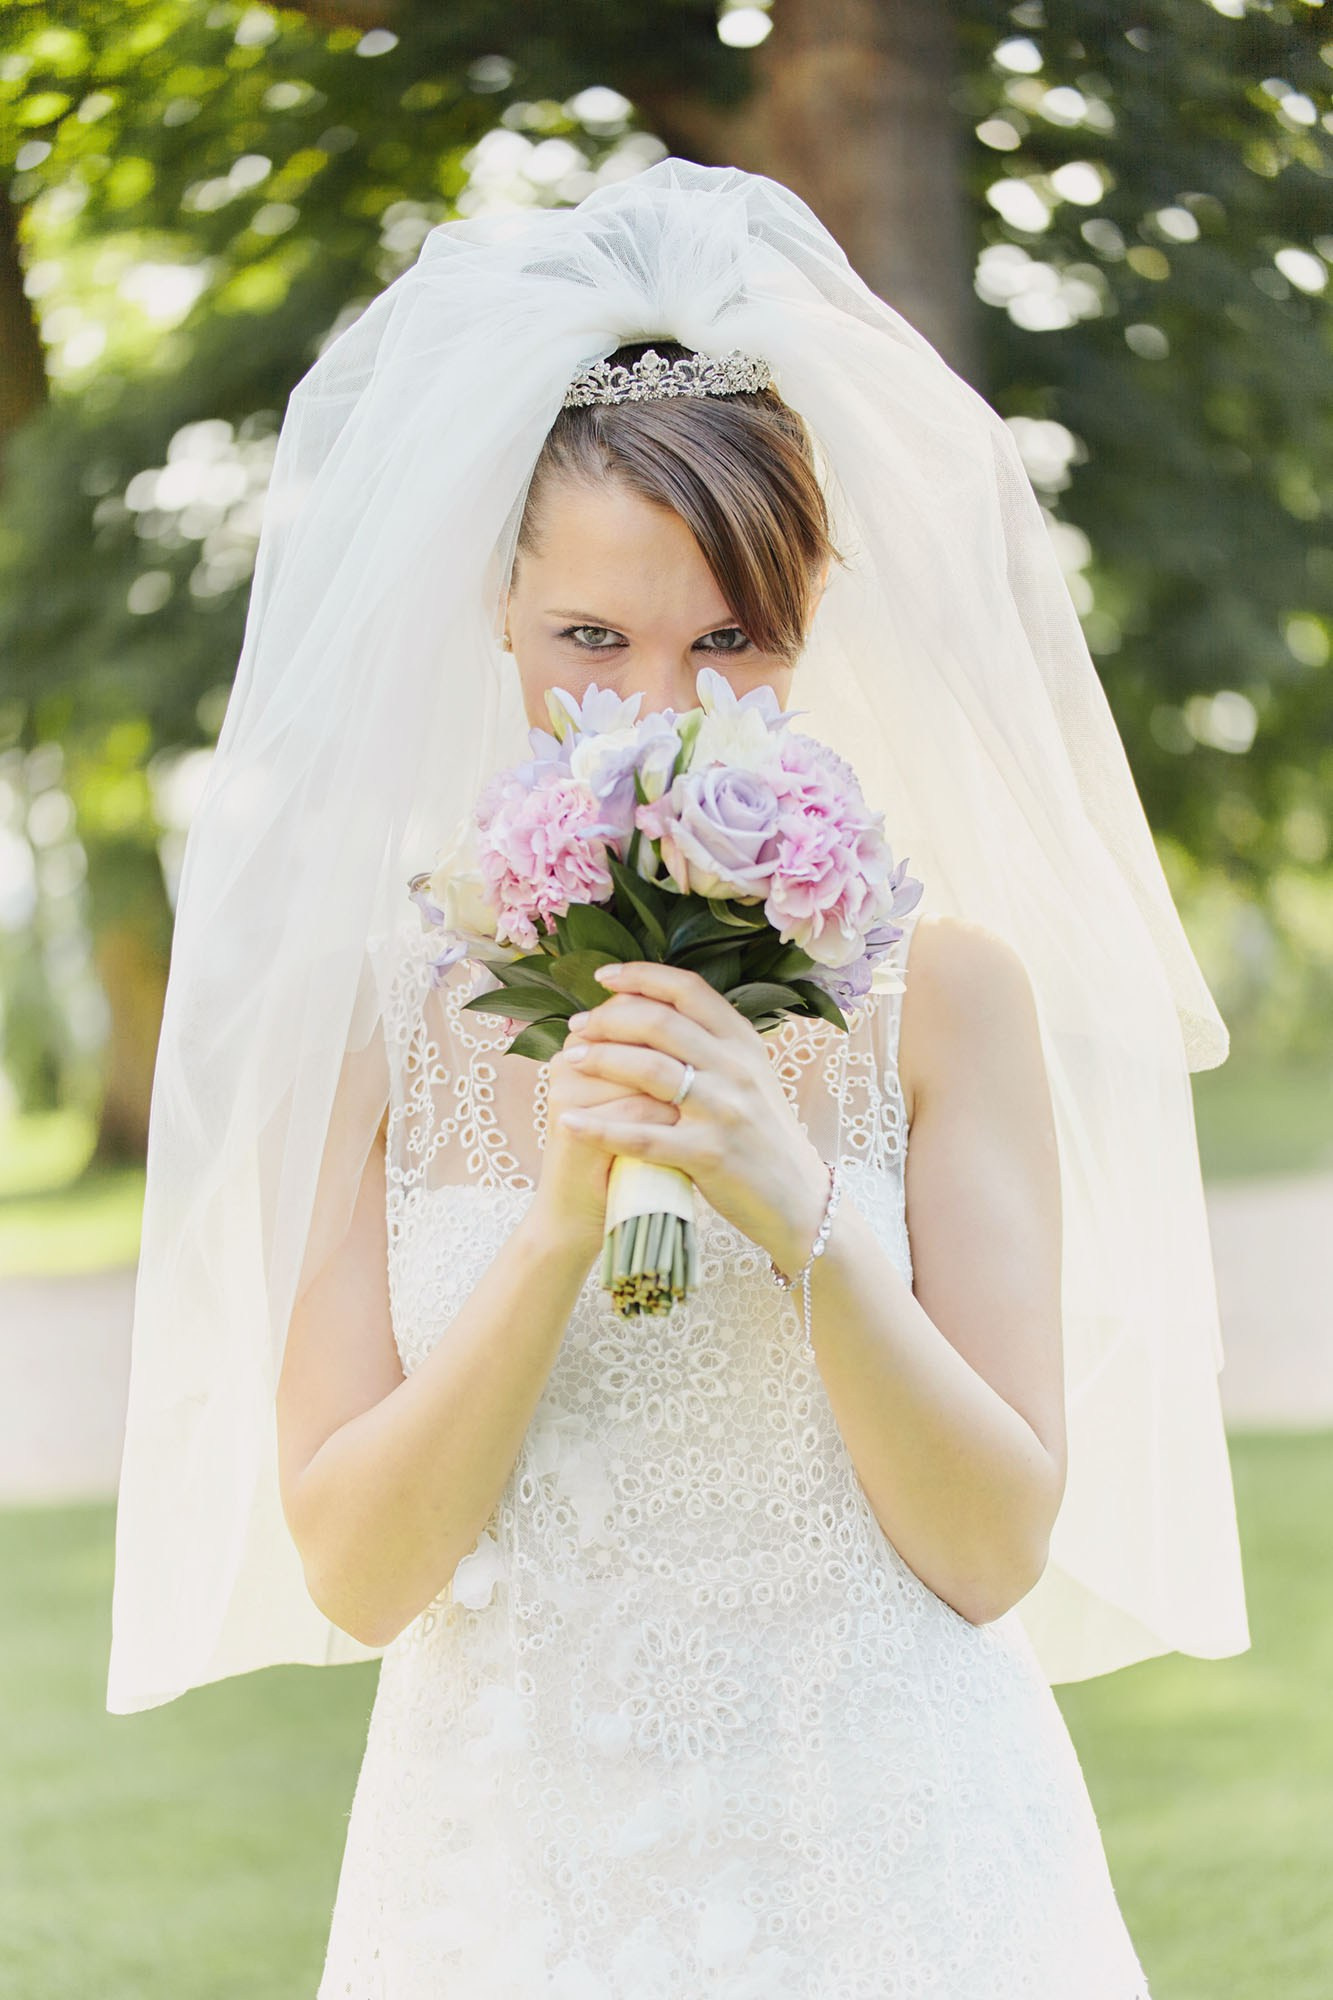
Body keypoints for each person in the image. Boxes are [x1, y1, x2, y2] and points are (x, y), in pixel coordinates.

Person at [105, 160, 1250, 1997]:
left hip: (901, 1860)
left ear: (807, 625)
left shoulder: (945, 1002)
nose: (655, 705)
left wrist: (803, 1220)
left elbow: (987, 1553)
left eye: (730, 640)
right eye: (592, 640)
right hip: (511, 1869)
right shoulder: (365, 1028)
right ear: (499, 612)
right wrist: (565, 1216)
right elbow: (358, 1573)